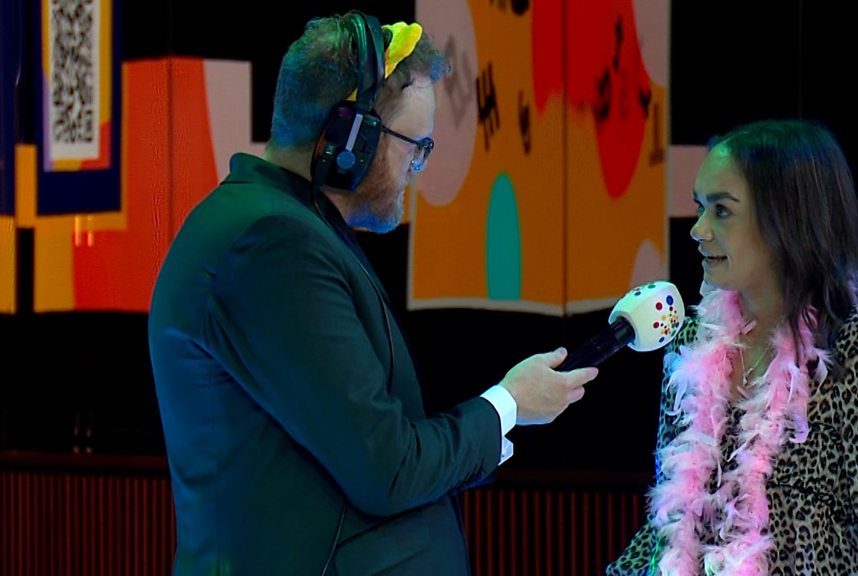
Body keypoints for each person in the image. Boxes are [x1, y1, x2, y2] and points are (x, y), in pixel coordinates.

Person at [147, 10, 598, 576]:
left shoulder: (283, 227)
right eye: (416, 144)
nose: (417, 166)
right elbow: (387, 469)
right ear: (350, 141)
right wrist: (508, 404)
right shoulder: (271, 245)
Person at [607, 119, 858, 574]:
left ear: (785, 219)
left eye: (722, 210)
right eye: (699, 208)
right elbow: (670, 529)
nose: (699, 229)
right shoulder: (692, 342)